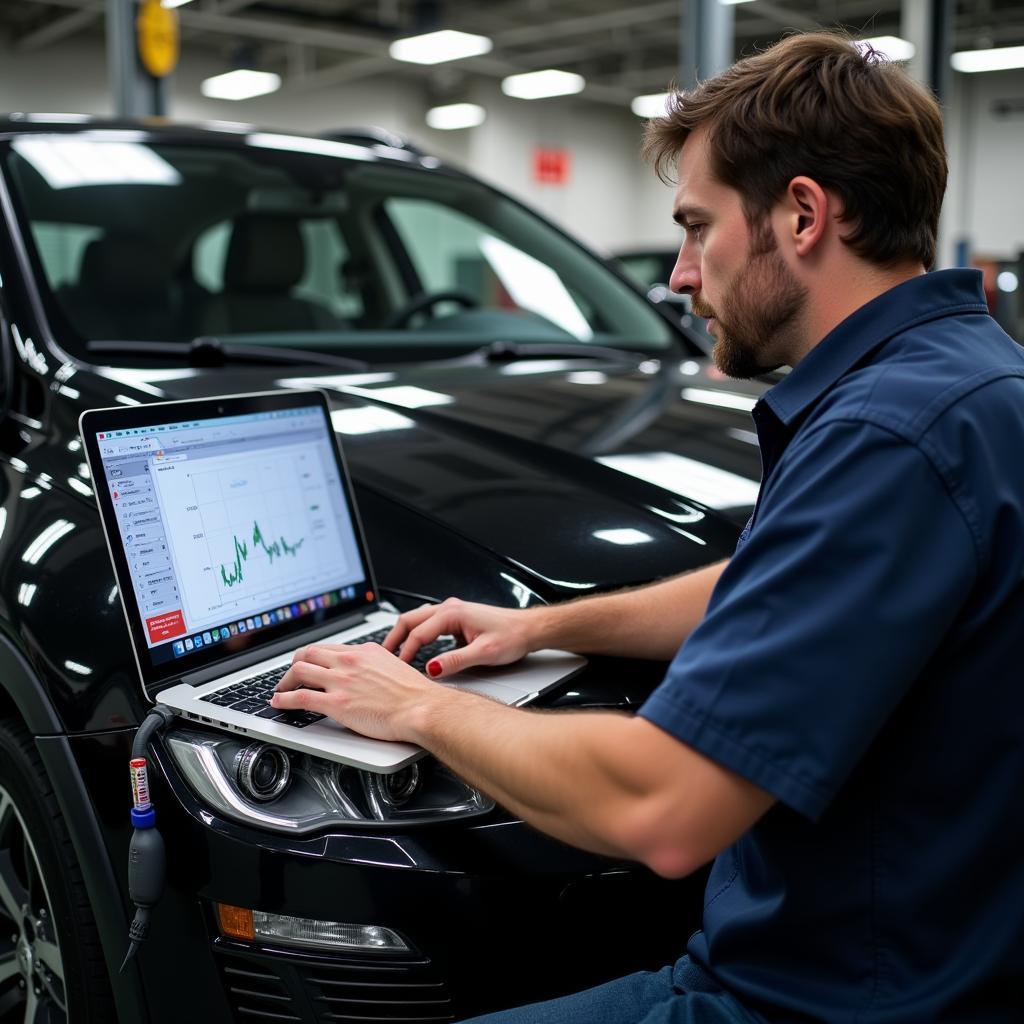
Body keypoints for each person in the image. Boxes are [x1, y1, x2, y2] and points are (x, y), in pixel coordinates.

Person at [271, 31, 1024, 1023]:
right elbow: (778, 579)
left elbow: (662, 812)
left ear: (801, 214)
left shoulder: (887, 436)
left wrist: (413, 706)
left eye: (696, 227)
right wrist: (543, 627)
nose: (676, 274)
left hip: (820, 998)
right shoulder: (974, 384)